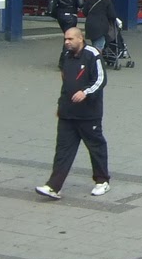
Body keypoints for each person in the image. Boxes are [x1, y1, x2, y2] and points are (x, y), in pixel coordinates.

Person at [35, 25, 110, 200]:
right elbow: (65, 81)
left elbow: (100, 80)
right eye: (65, 39)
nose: (67, 42)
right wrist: (61, 106)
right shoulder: (66, 55)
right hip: (67, 114)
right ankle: (54, 186)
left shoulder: (93, 54)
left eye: (70, 39)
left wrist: (85, 92)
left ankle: (102, 181)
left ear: (80, 39)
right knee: (63, 150)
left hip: (89, 113)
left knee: (95, 146)